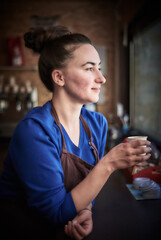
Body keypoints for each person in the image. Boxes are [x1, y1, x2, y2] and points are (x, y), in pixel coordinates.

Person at [0, 26, 151, 240]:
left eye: (99, 67)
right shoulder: (35, 131)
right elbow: (55, 213)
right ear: (59, 77)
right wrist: (108, 164)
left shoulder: (97, 124)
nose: (102, 78)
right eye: (90, 68)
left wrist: (86, 210)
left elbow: (85, 188)